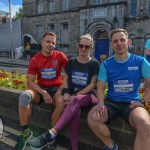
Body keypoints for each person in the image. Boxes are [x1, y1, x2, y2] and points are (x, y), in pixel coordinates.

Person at [29, 34, 99, 150]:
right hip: (74, 97)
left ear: (91, 48)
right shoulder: (71, 62)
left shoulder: (94, 63)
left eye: (87, 47)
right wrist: (66, 91)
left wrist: (75, 95)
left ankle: (51, 133)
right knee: (75, 112)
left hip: (89, 96)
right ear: (77, 46)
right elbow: (65, 79)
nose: (83, 49)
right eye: (81, 45)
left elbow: (93, 84)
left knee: (75, 101)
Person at [87, 28, 150, 150]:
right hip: (111, 102)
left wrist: (143, 101)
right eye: (115, 41)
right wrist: (100, 103)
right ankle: (111, 145)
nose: (119, 43)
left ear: (129, 42)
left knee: (145, 124)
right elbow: (100, 88)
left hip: (132, 103)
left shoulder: (140, 62)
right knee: (92, 118)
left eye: (122, 40)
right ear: (112, 45)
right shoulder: (106, 64)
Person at [14, 32, 68, 150]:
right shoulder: (35, 59)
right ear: (42, 43)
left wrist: (62, 89)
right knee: (24, 96)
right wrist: (43, 92)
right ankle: (25, 133)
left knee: (61, 103)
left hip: (55, 89)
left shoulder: (60, 56)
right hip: (40, 89)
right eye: (48, 42)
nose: (50, 44)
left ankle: (50, 136)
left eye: (53, 43)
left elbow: (70, 72)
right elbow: (30, 82)